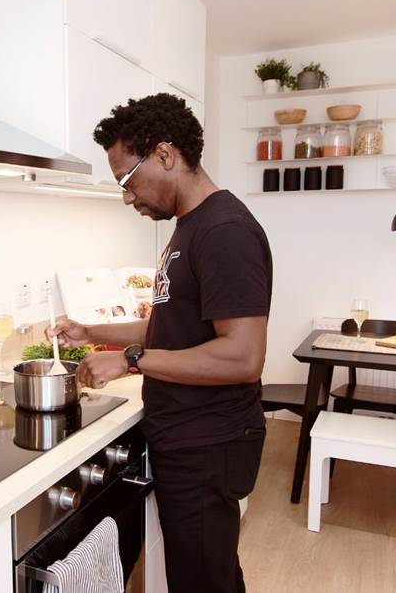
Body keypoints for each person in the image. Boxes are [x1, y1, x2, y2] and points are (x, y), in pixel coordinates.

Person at [48, 93, 272, 593]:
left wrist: (130, 361)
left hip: (208, 443)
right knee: (207, 575)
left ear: (166, 155)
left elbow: (242, 357)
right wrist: (93, 331)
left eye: (127, 180)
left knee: (202, 582)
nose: (128, 198)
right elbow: (174, 327)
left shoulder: (224, 231)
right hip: (189, 437)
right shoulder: (190, 227)